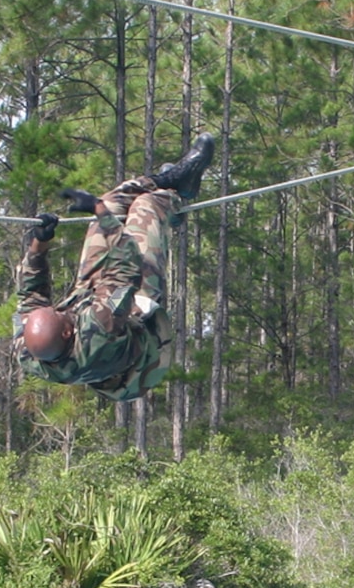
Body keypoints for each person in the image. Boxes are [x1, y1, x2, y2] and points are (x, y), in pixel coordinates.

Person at [14, 134, 215, 403]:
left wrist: (39, 243)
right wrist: (97, 211)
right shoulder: (97, 332)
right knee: (146, 207)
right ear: (67, 332)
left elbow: (30, 297)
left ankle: (173, 181)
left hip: (92, 301)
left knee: (112, 204)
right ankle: (172, 201)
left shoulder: (28, 350)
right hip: (140, 339)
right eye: (60, 314)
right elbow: (125, 266)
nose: (58, 307)